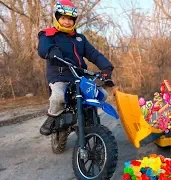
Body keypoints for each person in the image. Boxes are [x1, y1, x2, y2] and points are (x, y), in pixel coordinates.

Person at [37, 0, 114, 136]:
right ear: (57, 18)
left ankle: (88, 119)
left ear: (75, 20)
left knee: (102, 94)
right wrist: (52, 51)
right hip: (60, 76)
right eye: (63, 18)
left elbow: (94, 54)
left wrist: (106, 68)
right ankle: (52, 117)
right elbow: (44, 47)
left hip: (80, 76)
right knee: (58, 96)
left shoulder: (80, 38)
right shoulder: (48, 34)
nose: (67, 22)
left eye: (70, 19)